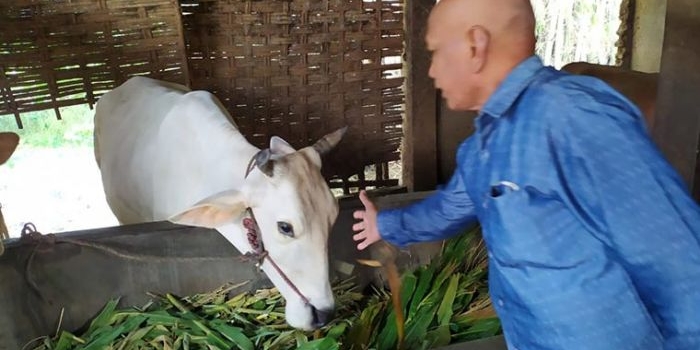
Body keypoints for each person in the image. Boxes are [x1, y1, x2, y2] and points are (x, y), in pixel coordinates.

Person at [351, 0, 700, 349]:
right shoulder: (480, 148)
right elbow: (447, 209)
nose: (431, 71)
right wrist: (385, 225)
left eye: (438, 51)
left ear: (476, 46)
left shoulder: (571, 116)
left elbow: (676, 263)